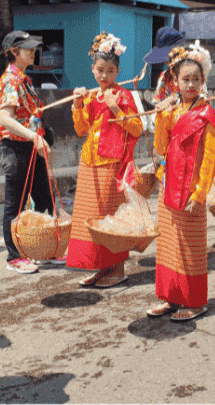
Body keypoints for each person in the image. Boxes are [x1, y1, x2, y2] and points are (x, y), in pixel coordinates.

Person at [146, 42, 215, 322]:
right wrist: (161, 115)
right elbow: (161, 146)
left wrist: (200, 194)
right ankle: (170, 297)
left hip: (190, 191)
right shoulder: (174, 111)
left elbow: (209, 159)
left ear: (203, 82)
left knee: (190, 248)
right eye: (185, 79)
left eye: (195, 79)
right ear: (175, 81)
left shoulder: (207, 115)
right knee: (168, 245)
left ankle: (195, 301)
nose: (190, 84)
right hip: (169, 186)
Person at [66, 32, 142, 288]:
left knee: (110, 217)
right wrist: (77, 105)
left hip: (112, 164)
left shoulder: (123, 96)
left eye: (110, 71)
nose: (104, 76)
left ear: (118, 72)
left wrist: (116, 108)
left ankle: (118, 270)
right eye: (100, 70)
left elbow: (137, 129)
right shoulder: (89, 96)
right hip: (89, 162)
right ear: (92, 69)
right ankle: (100, 267)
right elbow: (81, 130)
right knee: (91, 217)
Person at [0, 30, 55, 274]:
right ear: (13, 52)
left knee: (44, 197)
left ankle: (41, 248)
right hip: (17, 148)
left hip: (31, 146)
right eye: (27, 48)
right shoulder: (11, 81)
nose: (32, 51)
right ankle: (14, 256)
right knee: (15, 206)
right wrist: (33, 136)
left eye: (32, 47)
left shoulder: (24, 80)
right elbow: (6, 119)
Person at [144, 26, 184, 110]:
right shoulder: (164, 77)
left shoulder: (193, 73)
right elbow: (157, 103)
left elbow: (201, 100)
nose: (166, 62)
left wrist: (175, 100)